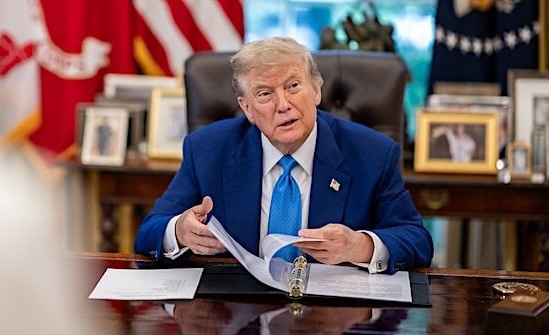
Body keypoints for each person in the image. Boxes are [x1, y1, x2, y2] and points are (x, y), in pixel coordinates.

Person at [134, 37, 433, 274]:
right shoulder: (207, 149)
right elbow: (150, 230)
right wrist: (180, 231)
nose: (283, 104)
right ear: (247, 108)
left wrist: (361, 246)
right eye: (264, 94)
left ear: (316, 90)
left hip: (334, 315)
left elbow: (416, 240)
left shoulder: (373, 153)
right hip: (238, 313)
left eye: (293, 86)